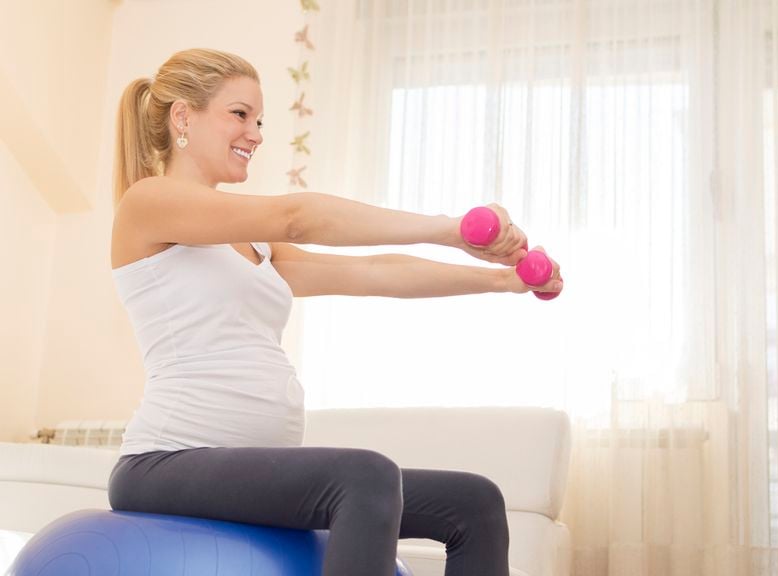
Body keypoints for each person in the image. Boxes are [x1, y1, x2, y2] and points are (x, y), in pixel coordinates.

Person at [107, 48, 562, 576]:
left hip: (244, 469)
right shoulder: (147, 203)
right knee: (363, 476)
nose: (255, 133)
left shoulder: (253, 243)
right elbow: (298, 217)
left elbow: (373, 274)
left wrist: (500, 281)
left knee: (474, 502)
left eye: (259, 121)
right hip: (164, 463)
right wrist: (449, 228)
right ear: (183, 116)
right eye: (240, 115)